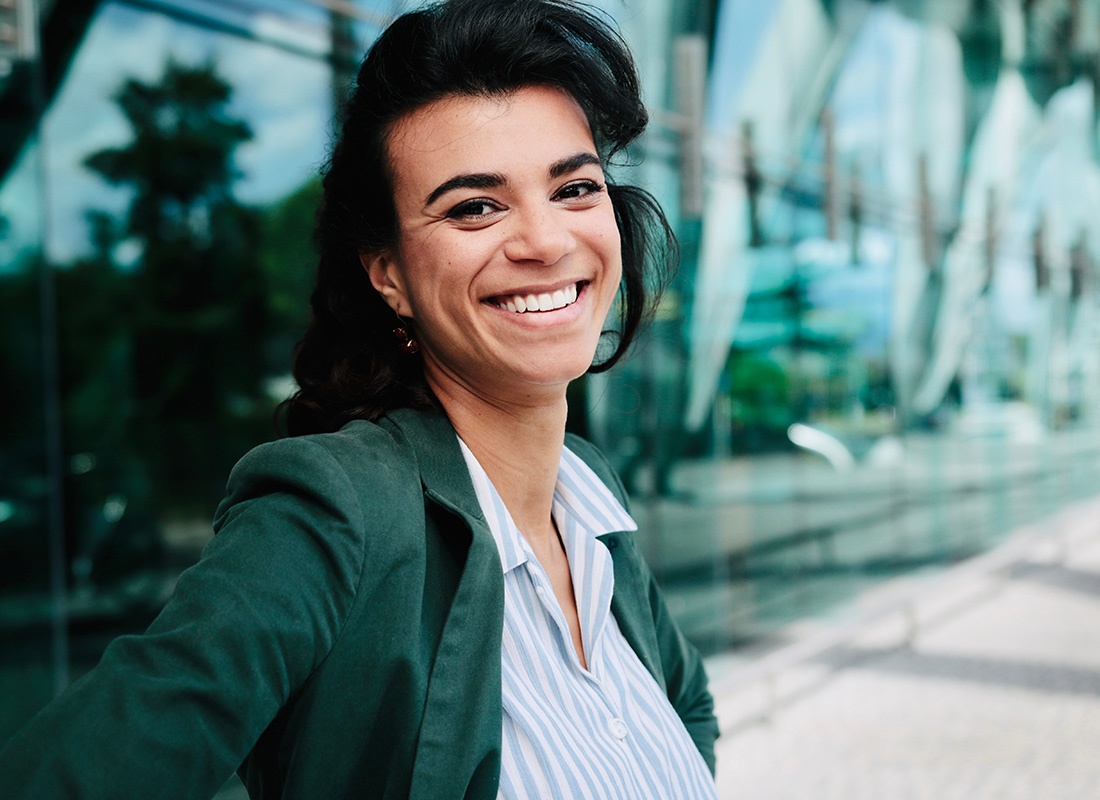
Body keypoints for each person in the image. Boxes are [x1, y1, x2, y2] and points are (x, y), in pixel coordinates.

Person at [0, 0, 720, 797]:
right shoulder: (334, 509)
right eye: (475, 206)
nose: (546, 241)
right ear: (389, 275)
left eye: (574, 188)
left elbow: (685, 702)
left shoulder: (586, 492)